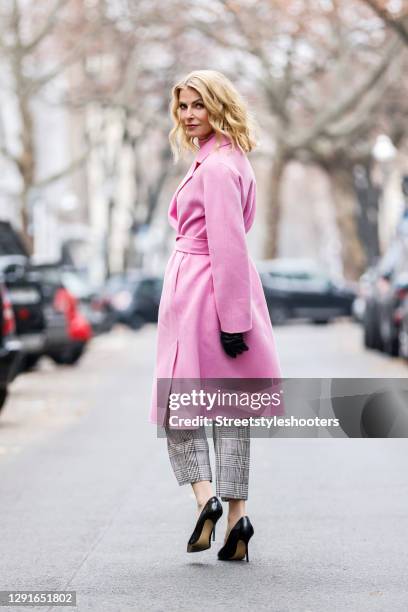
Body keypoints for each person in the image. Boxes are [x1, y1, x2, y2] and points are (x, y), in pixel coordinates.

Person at [149, 69, 282, 562]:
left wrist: (233, 322)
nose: (188, 115)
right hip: (206, 289)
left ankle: (207, 498)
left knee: (181, 406)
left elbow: (229, 246)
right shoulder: (222, 160)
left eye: (198, 106)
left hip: (203, 293)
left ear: (219, 106)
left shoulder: (219, 167)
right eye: (182, 106)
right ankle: (236, 518)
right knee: (228, 408)